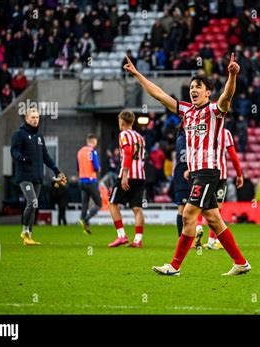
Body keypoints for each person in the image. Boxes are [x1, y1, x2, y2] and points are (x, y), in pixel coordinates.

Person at [123, 53, 250, 276]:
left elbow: (227, 97)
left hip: (209, 171)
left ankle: (174, 266)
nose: (193, 89)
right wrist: (137, 75)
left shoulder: (213, 111)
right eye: (192, 86)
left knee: (189, 216)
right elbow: (159, 95)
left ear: (208, 92)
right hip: (197, 173)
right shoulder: (186, 111)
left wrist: (232, 76)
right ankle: (241, 262)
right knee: (213, 219)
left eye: (198, 86)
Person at [10, 108, 66, 246]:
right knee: (32, 202)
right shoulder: (19, 134)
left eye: (37, 117)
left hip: (37, 176)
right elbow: (14, 151)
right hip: (24, 176)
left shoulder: (39, 136)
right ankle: (24, 230)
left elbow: (45, 156)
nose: (35, 120)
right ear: (27, 118)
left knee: (34, 206)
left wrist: (56, 170)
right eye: (33, 117)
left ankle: (29, 236)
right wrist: (22, 159)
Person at [108, 111, 146, 248]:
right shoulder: (140, 137)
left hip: (128, 175)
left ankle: (121, 236)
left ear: (122, 122)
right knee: (137, 208)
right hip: (140, 175)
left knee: (112, 203)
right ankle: (138, 239)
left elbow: (128, 153)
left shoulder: (123, 134)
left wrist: (125, 174)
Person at [203, 128, 244, 250]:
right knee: (217, 210)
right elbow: (233, 155)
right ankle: (214, 240)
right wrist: (239, 174)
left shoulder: (204, 130)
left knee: (204, 208)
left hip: (205, 175)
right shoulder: (226, 133)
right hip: (220, 177)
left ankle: (210, 240)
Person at [77, 134, 102, 235]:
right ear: (94, 141)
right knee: (99, 203)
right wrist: (99, 168)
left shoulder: (79, 152)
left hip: (82, 181)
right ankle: (86, 219)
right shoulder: (92, 151)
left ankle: (84, 224)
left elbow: (78, 168)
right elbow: (96, 167)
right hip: (91, 181)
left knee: (85, 204)